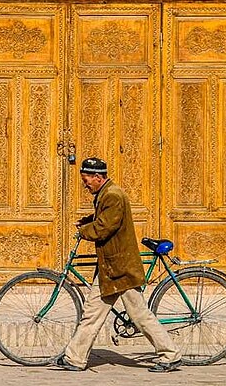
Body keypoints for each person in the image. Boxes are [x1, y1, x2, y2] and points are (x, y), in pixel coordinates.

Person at [50, 157, 182, 373]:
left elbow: (104, 227)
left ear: (98, 177)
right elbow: (105, 218)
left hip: (120, 268)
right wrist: (88, 220)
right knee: (92, 313)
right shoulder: (106, 194)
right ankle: (74, 358)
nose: (85, 184)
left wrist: (84, 231)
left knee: (139, 315)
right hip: (109, 267)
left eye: (86, 180)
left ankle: (170, 354)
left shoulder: (113, 195)